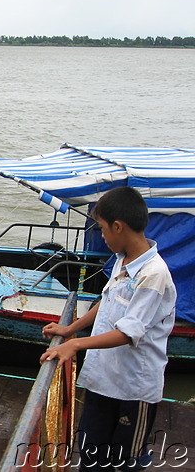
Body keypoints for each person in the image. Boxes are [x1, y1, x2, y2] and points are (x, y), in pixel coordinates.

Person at [40, 187, 177, 471]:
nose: (101, 236)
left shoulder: (154, 274)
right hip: (103, 380)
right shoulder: (121, 260)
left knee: (126, 462)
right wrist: (70, 330)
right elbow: (107, 302)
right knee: (90, 454)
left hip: (133, 389)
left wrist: (75, 345)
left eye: (102, 229)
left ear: (118, 226)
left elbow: (128, 332)